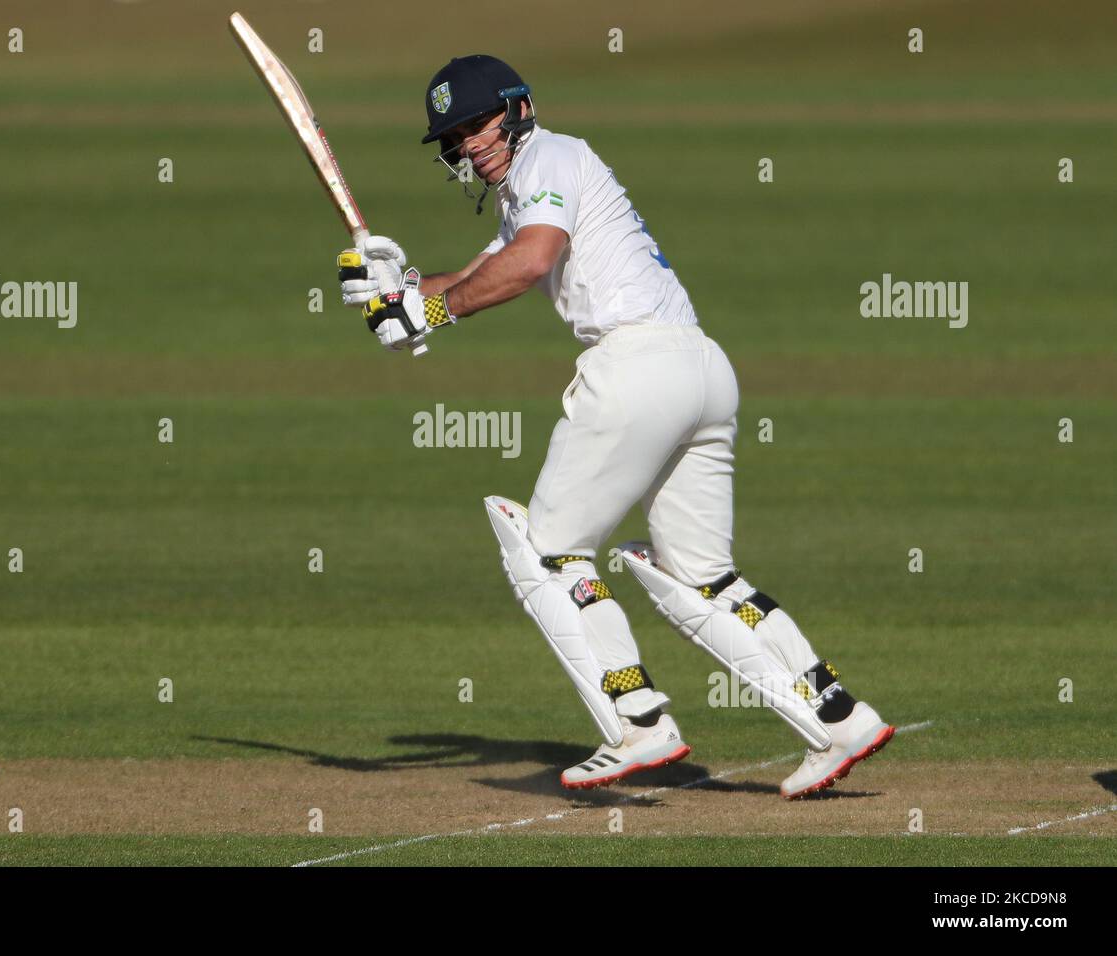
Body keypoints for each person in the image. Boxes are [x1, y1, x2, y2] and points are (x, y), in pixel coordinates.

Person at [337, 55, 894, 798]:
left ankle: (638, 720)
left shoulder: (552, 156)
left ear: (517, 109)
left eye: (478, 125)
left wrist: (425, 312)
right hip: (701, 369)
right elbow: (481, 272)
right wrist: (393, 289)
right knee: (699, 577)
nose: (469, 145)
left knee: (547, 553)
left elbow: (529, 266)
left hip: (634, 369)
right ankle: (838, 716)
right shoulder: (533, 189)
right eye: (455, 137)